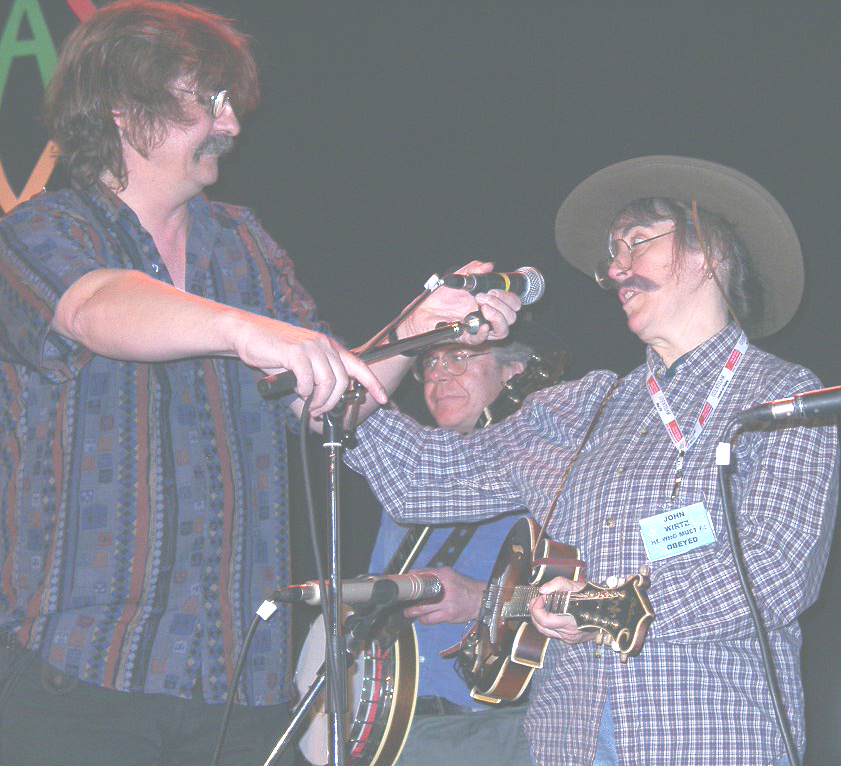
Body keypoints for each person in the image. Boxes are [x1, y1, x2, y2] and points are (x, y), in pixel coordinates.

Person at [0, 3, 518, 765]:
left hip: (242, 679)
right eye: (205, 99)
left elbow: (330, 399)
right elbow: (94, 306)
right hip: (84, 670)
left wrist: (416, 328)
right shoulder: (49, 229)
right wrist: (248, 329)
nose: (232, 123)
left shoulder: (241, 242)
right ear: (122, 107)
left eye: (231, 100)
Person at [345, 155, 840, 766]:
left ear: (709, 253)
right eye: (612, 253)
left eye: (636, 242)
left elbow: (774, 571)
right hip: (569, 743)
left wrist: (595, 609)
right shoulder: (585, 406)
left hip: (713, 736)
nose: (614, 268)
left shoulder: (789, 398)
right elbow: (421, 477)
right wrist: (406, 330)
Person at [367, 322, 566, 766]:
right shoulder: (407, 484)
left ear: (513, 371)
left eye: (457, 357)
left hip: (494, 730)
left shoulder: (551, 473)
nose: (438, 376)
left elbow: (596, 604)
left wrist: (483, 599)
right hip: (390, 732)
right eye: (430, 362)